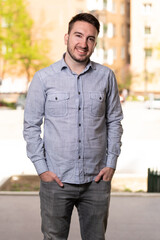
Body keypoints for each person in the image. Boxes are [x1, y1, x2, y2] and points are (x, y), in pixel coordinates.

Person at [23, 13, 123, 240]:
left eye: (90, 39)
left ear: (95, 43)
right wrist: (42, 169)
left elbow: (114, 120)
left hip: (96, 180)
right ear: (67, 37)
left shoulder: (106, 77)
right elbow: (31, 126)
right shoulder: (43, 78)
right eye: (78, 36)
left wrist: (111, 163)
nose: (83, 43)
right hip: (56, 180)